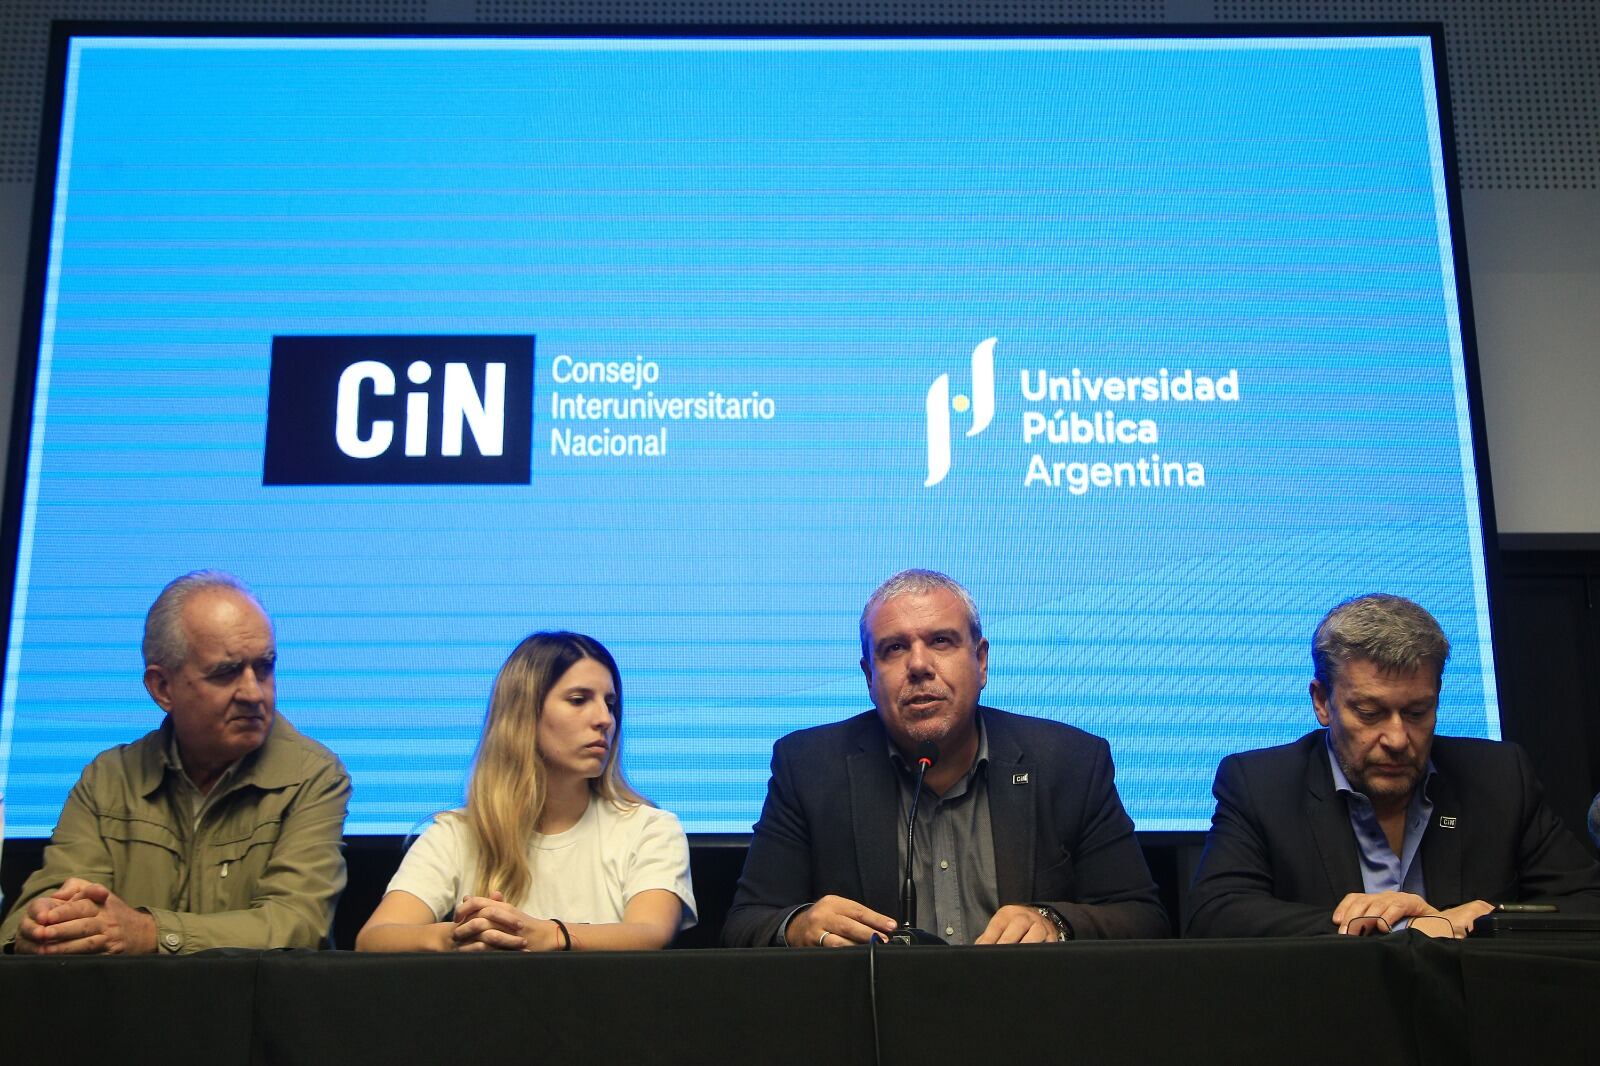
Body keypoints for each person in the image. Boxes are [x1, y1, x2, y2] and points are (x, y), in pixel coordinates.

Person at [723, 569, 1168, 947]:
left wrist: (1055, 921)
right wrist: (798, 925)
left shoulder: (1068, 762)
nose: (918, 665)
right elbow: (745, 923)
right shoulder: (809, 767)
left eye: (940, 641)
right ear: (869, 677)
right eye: (894, 648)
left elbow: (1144, 918)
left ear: (981, 661)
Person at [1186, 593, 1600, 939]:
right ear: (1321, 702)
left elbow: (1586, 905)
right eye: (1369, 713)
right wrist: (1392, 931)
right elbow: (1216, 915)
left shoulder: (1500, 777)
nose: (1398, 739)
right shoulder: (1261, 785)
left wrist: (1484, 919)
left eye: (1418, 712)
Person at [0, 570, 351, 954]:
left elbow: (295, 925)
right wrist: (45, 929)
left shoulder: (313, 775)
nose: (253, 692)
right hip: (123, 1011)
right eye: (227, 672)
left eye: (264, 667)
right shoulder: (109, 779)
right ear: (162, 687)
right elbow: (38, 913)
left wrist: (151, 934)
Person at [356, 631, 695, 952]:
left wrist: (550, 934)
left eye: (610, 703)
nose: (604, 719)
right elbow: (374, 938)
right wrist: (460, 937)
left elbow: (650, 933)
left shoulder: (650, 828)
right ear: (524, 715)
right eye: (579, 700)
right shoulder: (455, 834)